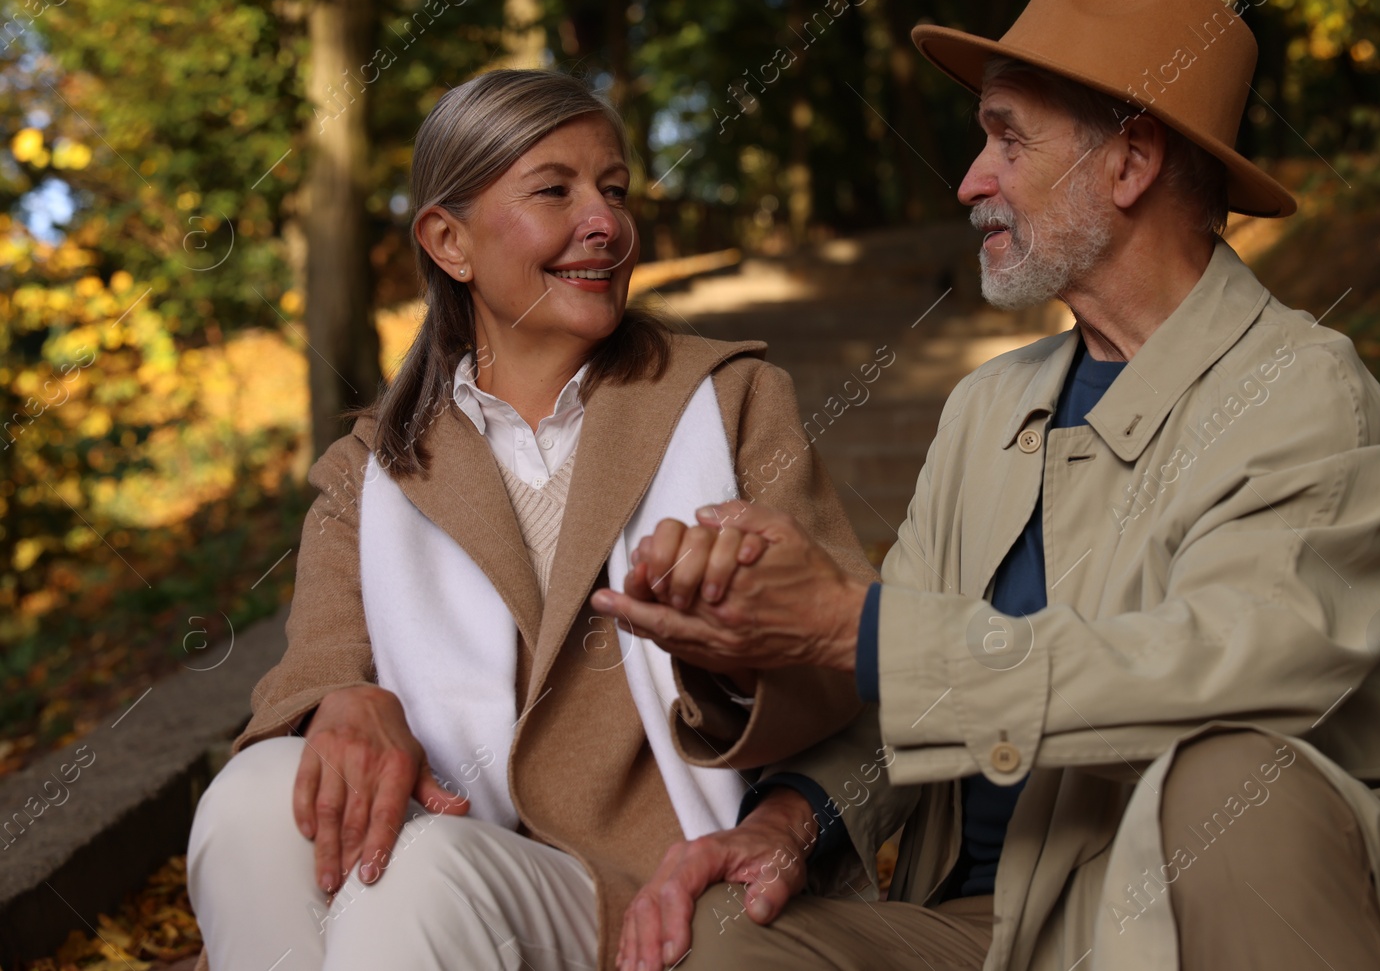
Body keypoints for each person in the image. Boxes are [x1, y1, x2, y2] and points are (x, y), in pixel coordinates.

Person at [593, 0, 1380, 971]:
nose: (971, 180)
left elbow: (1234, 671)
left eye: (1006, 138)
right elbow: (908, 694)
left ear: (1130, 161)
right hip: (1000, 923)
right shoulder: (988, 405)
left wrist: (861, 623)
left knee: (1227, 771)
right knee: (714, 937)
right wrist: (789, 822)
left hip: (1225, 899)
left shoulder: (1302, 390)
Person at [185, 69, 873, 971]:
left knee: (416, 873)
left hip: (654, 881)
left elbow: (854, 660)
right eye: (556, 190)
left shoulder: (734, 400)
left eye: (616, 190)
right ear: (449, 240)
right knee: (247, 799)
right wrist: (342, 701)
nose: (607, 222)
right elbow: (315, 662)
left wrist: (735, 651)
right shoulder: (372, 467)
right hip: (464, 835)